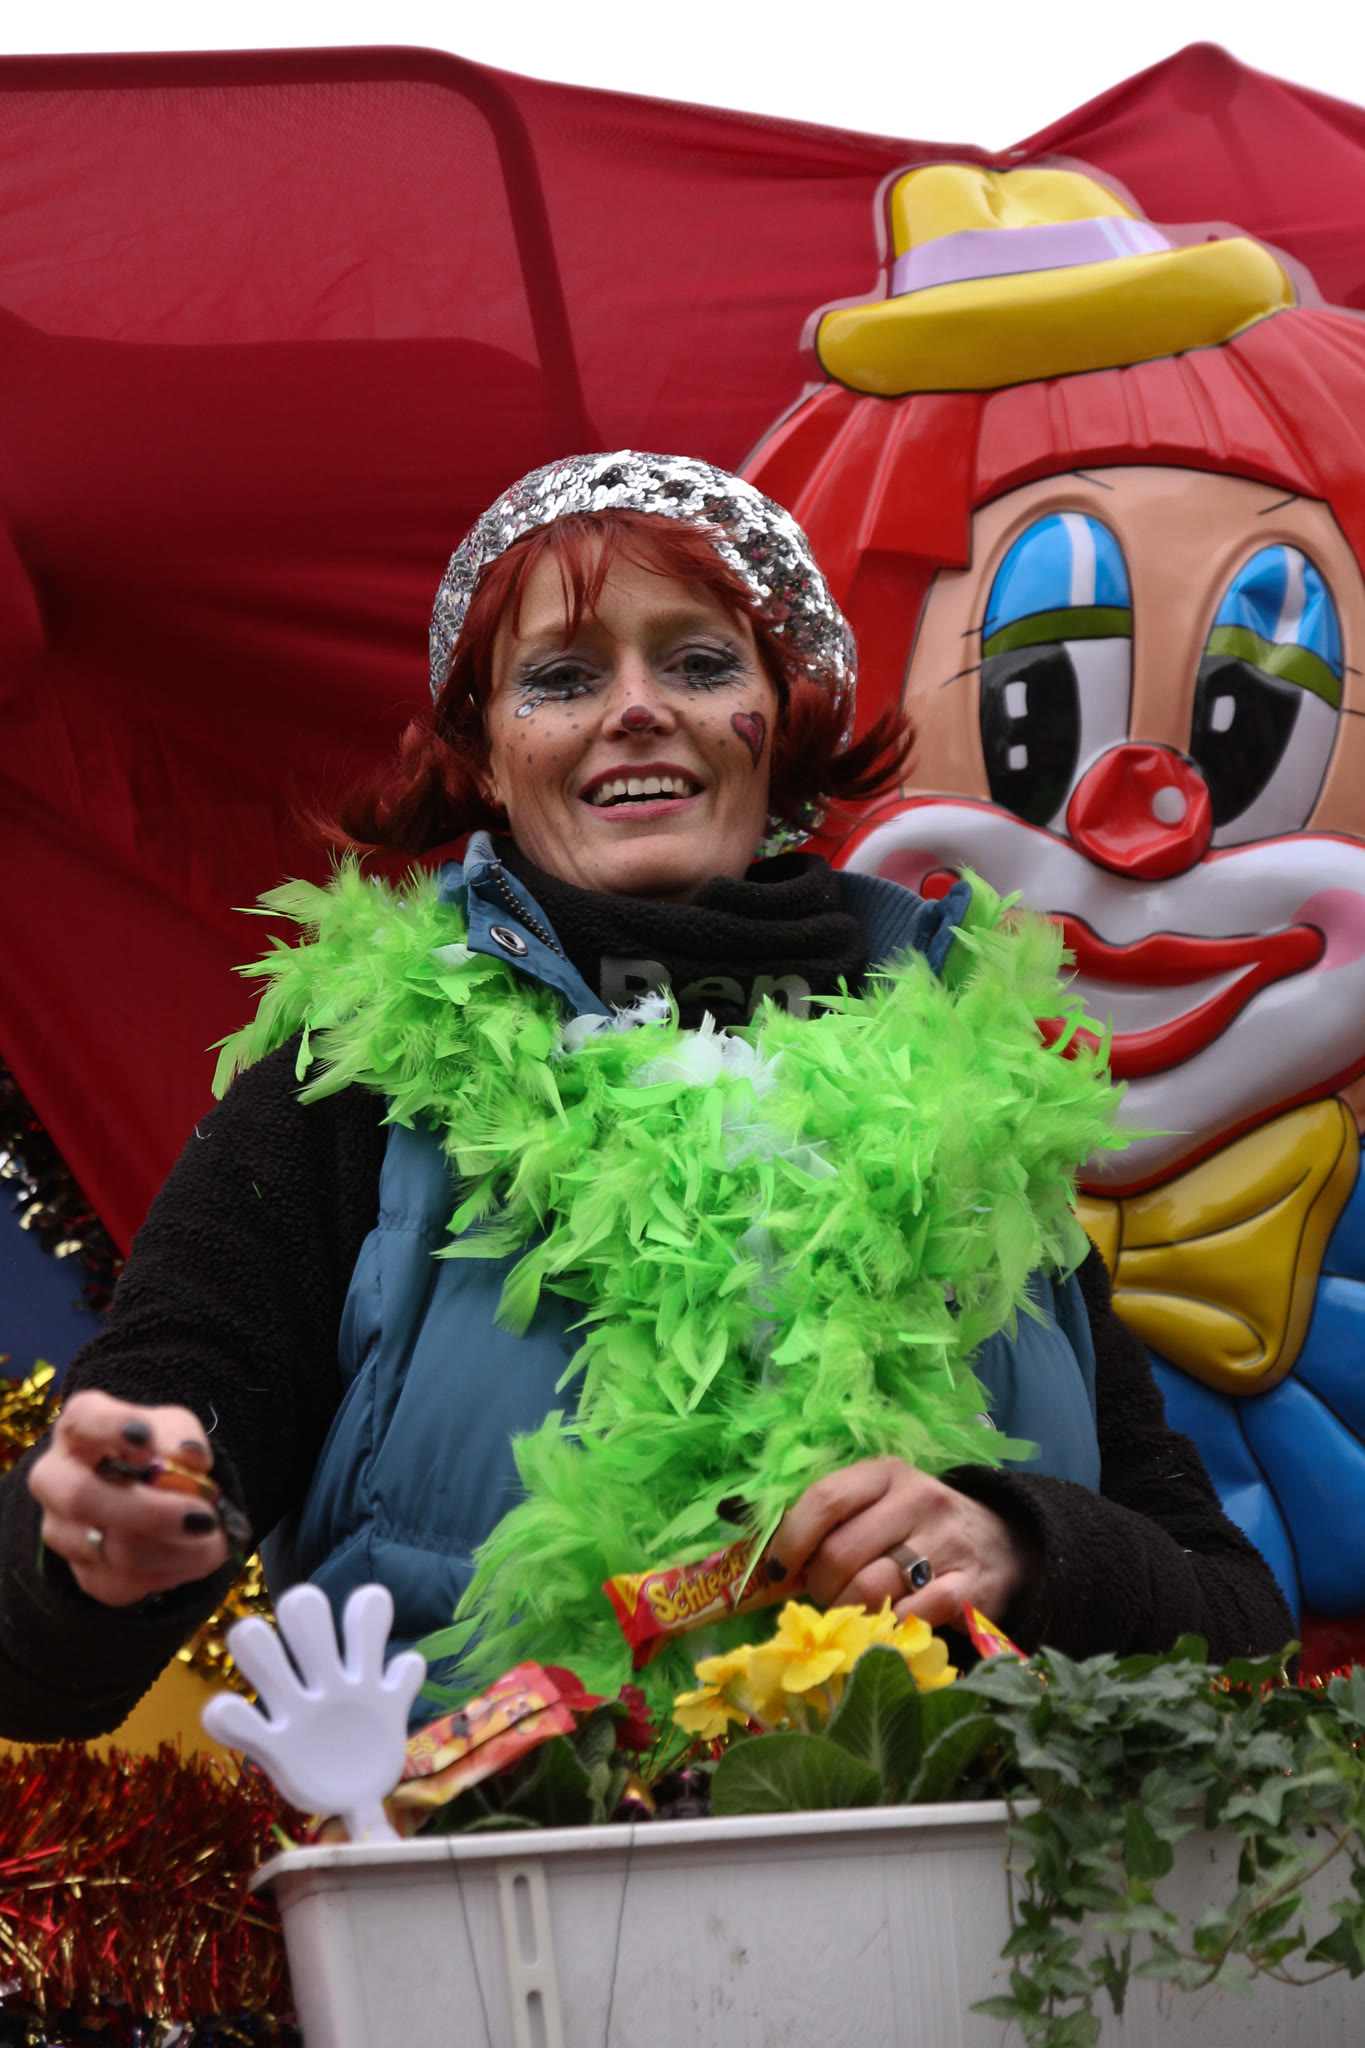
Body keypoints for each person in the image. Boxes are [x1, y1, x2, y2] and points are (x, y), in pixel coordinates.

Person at [1, 453, 1291, 1741]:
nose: (636, 709)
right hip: (498, 1864)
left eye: (700, 664)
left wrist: (1020, 1548)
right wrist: (99, 1547)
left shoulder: (980, 1101)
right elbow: (60, 1619)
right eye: (562, 678)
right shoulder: (356, 1077)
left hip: (962, 1861)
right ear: (486, 758)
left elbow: (1239, 1637)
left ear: (782, 721)